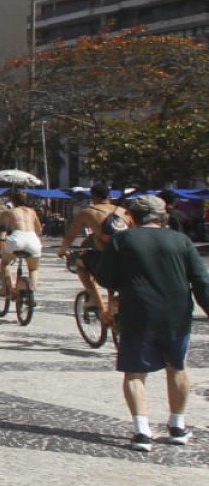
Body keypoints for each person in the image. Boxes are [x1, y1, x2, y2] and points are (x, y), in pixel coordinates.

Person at [81, 195, 209, 451]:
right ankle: (178, 427)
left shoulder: (123, 240)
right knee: (177, 367)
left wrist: (98, 251)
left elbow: (106, 278)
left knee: (134, 373)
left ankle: (141, 432)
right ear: (163, 216)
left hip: (138, 312)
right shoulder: (181, 240)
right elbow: (201, 280)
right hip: (176, 313)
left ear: (133, 216)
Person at [60, 182, 128, 317]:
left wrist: (62, 250)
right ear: (110, 196)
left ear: (93, 197)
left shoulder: (88, 212)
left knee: (81, 264)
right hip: (127, 257)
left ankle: (97, 302)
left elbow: (70, 236)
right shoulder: (124, 212)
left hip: (107, 258)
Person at [0, 190, 43, 310]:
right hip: (32, 239)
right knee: (33, 268)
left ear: (12, 201)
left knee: (5, 263)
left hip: (16, 239)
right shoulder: (32, 212)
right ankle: (30, 291)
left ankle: (6, 288)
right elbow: (39, 230)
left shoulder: (10, 212)